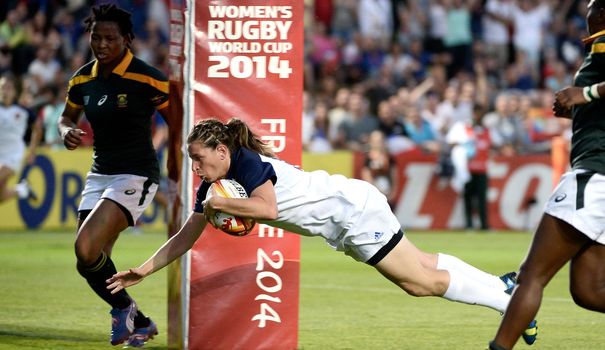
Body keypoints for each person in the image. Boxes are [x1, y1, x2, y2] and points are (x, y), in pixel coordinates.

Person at [107, 118, 537, 343]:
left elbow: (265, 208)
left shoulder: (244, 164)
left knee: (419, 283)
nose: (196, 169)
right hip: (346, 214)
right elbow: (187, 234)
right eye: (193, 161)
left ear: (222, 149)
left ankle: (508, 302)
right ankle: (503, 286)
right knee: (423, 265)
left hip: (351, 212)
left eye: (200, 159)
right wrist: (144, 269)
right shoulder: (215, 184)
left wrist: (220, 204)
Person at [489, 1, 605, 349]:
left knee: (529, 277)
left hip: (595, 176)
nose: (587, 8)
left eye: (593, 4)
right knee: (589, 290)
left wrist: (582, 94)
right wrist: (578, 110)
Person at [57, 4, 170, 348]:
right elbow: (66, 118)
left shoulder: (145, 77)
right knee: (87, 260)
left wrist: (179, 163)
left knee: (85, 247)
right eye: (96, 37)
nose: (102, 44)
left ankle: (124, 310)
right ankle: (141, 321)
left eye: (110, 38)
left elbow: (176, 122)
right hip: (99, 174)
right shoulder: (82, 79)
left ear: (126, 39)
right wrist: (65, 132)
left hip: (136, 174)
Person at [0, 73, 37, 204]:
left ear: (15, 92)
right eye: (3, 87)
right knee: (1, 196)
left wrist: (32, 151)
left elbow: (37, 128)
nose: (5, 91)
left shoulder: (23, 111)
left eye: (9, 88)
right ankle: (23, 190)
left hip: (13, 154)